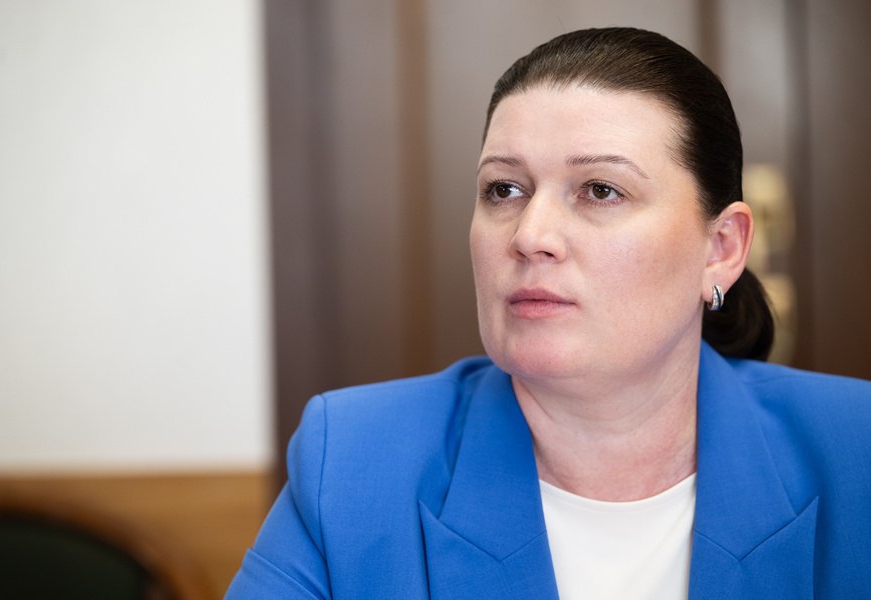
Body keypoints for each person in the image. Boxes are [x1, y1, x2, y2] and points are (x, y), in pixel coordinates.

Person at [226, 27, 871, 599]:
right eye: (504, 189)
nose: (530, 235)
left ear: (721, 248)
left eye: (600, 190)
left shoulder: (856, 450)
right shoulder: (352, 461)